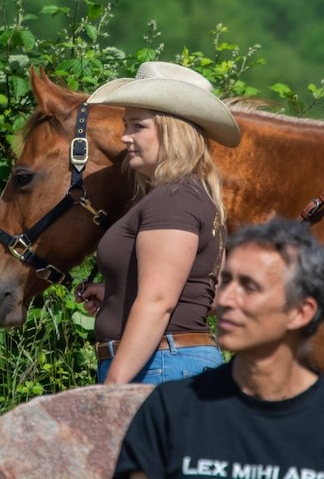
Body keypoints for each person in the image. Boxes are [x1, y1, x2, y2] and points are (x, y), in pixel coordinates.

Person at [113, 218, 324, 479]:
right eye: (225, 282)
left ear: (301, 312)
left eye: (249, 287)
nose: (225, 299)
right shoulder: (169, 409)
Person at [77, 61, 240, 385]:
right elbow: (199, 294)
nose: (124, 137)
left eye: (137, 125)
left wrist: (113, 386)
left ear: (172, 130)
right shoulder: (188, 195)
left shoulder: (173, 200)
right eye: (126, 124)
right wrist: (117, 294)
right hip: (168, 362)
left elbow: (158, 303)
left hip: (159, 367)